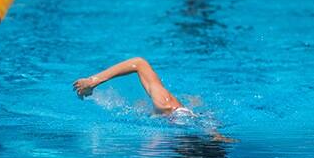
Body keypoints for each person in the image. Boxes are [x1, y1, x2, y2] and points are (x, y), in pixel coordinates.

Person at [73, 57, 235, 142]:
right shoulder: (165, 105)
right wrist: (94, 80)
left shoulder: (166, 111)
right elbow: (138, 63)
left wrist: (215, 134)